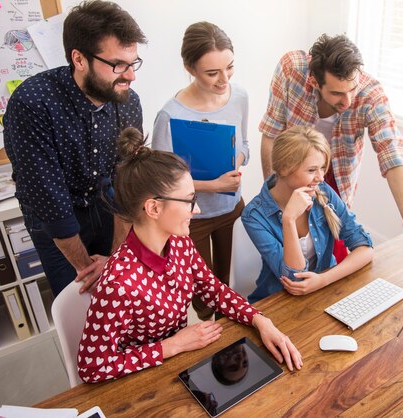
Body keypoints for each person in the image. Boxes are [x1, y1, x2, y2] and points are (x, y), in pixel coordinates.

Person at [77, 128, 302, 382]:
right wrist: (171, 346)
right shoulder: (119, 283)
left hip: (180, 365)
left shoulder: (180, 242)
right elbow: (91, 368)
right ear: (153, 207)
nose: (197, 209)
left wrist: (261, 321)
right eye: (189, 200)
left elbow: (213, 290)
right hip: (140, 380)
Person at [3, 0, 147, 296]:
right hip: (55, 215)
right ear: (79, 60)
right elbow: (51, 204)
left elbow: (126, 181)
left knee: (121, 291)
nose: (131, 76)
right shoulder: (32, 104)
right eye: (118, 65)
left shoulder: (128, 101)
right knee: (80, 300)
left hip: (105, 200)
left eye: (132, 63)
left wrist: (114, 258)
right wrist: (87, 270)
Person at [259, 34, 403, 258]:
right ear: (315, 82)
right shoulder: (291, 70)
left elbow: (392, 152)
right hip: (293, 170)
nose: (348, 100)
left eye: (352, 89)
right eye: (336, 93)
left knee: (332, 252)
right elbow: (271, 133)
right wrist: (274, 193)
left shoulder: (371, 95)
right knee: (289, 245)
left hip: (337, 178)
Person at [152, 22, 248, 321]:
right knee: (204, 296)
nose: (224, 80)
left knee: (231, 282)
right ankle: (210, 337)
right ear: (189, 68)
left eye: (229, 68)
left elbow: (244, 143)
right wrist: (211, 185)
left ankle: (228, 337)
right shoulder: (170, 115)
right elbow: (161, 182)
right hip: (191, 219)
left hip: (232, 207)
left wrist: (237, 158)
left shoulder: (239, 96)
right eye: (212, 73)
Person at [242, 126, 374, 303]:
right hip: (278, 300)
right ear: (283, 169)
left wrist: (323, 280)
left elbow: (365, 248)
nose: (320, 177)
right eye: (312, 170)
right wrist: (289, 219)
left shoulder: (323, 192)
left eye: (322, 168)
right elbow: (294, 279)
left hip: (324, 291)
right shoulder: (254, 215)